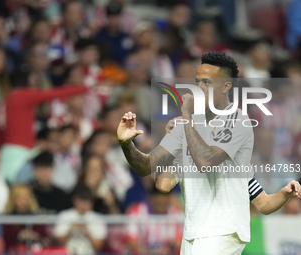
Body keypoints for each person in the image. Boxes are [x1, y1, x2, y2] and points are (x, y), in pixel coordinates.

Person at [117, 51, 301, 254]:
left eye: (207, 82)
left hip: (223, 230)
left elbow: (206, 161)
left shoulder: (237, 121)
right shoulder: (186, 128)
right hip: (193, 232)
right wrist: (127, 144)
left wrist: (186, 120)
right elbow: (158, 178)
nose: (199, 88)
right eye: (198, 82)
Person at [54, 184, 108, 255]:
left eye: (86, 201)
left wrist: (87, 232)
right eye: (81, 201)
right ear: (75, 200)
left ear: (91, 203)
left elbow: (98, 248)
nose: (83, 205)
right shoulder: (64, 216)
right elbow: (58, 243)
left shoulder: (98, 219)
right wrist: (70, 230)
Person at [3, 184, 49, 252]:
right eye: (20, 197)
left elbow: (43, 236)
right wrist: (22, 235)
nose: (23, 200)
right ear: (13, 199)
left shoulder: (37, 216)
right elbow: (8, 238)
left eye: (26, 197)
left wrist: (27, 235)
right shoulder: (7, 218)